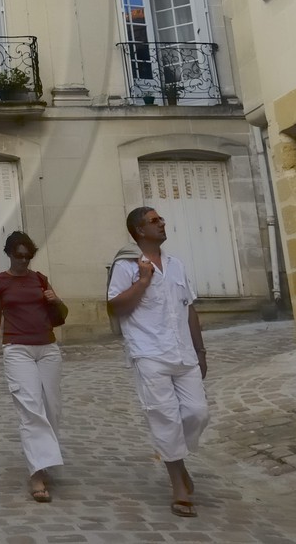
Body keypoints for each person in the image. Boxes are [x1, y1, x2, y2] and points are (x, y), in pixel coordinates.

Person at [107, 206, 210, 518]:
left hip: (183, 353)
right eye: (154, 221)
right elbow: (114, 307)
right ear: (139, 231)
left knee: (197, 413)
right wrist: (142, 282)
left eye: (161, 219)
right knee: (164, 417)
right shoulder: (126, 266)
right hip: (149, 352)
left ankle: (176, 458)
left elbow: (188, 308)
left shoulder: (176, 265)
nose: (162, 223)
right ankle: (178, 481)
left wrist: (201, 352)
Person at [0, 231, 68, 502]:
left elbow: (61, 315)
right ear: (8, 254)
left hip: (47, 348)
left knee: (52, 408)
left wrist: (56, 300)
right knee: (30, 409)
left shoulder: (39, 279)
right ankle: (36, 474)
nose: (23, 261)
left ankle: (44, 458)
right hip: (17, 350)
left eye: (28, 256)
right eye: (18, 256)